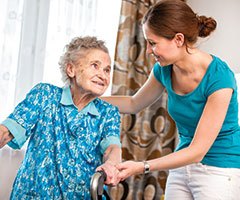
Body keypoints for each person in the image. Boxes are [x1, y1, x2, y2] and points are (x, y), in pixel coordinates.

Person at [101, 0, 240, 199]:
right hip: (183, 164)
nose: (148, 50)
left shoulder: (219, 78)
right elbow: (134, 103)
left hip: (220, 168)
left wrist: (142, 166)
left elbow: (198, 151)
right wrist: (90, 98)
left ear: (178, 39)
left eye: (153, 43)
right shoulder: (164, 69)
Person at [0, 36, 122, 199]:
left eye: (107, 70)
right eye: (95, 66)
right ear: (71, 69)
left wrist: (111, 165)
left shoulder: (108, 113)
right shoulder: (45, 95)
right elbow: (8, 131)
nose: (103, 75)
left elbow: (112, 148)